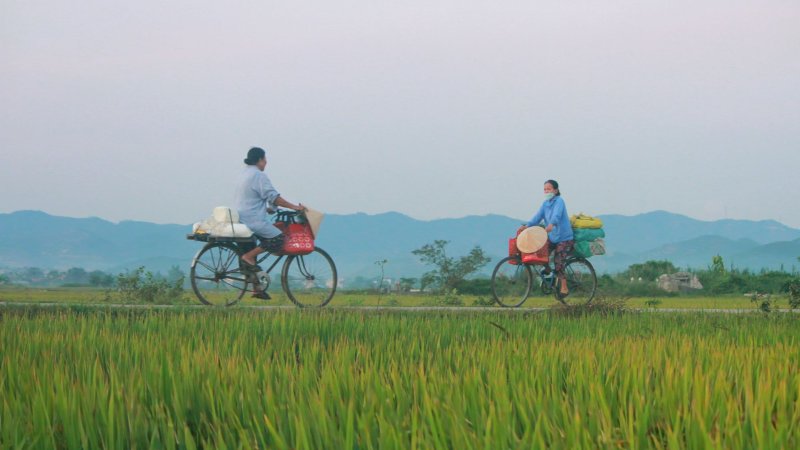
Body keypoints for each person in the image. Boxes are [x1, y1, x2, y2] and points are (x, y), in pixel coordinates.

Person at [234, 147, 304, 298]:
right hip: (253, 220)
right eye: (265, 159)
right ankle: (248, 257)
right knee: (279, 239)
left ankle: (257, 288)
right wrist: (294, 207)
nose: (266, 162)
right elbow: (274, 197)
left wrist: (268, 209)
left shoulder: (243, 174)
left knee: (251, 249)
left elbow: (251, 199)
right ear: (259, 160)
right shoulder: (259, 176)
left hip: (241, 219)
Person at [519, 180, 574, 296]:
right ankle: (548, 270)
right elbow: (537, 216)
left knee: (558, 261)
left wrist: (552, 224)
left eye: (549, 189)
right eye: (545, 189)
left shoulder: (559, 201)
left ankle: (564, 286)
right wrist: (527, 226)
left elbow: (557, 215)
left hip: (564, 237)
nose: (546, 191)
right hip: (552, 237)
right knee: (539, 253)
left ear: (556, 190)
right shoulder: (545, 204)